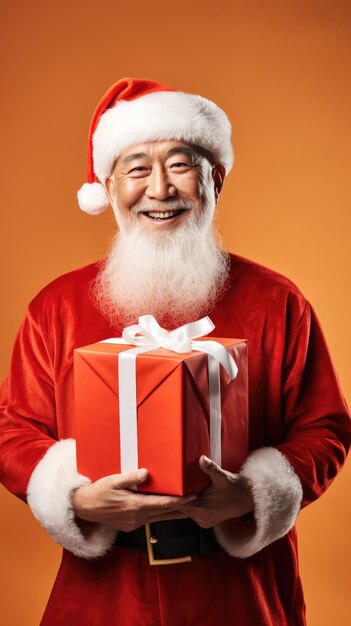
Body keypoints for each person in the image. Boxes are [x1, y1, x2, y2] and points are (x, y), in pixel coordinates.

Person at [0, 77, 350, 626]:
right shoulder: (57, 305)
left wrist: (251, 494)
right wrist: (72, 497)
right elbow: (14, 428)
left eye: (181, 164)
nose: (159, 189)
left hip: (241, 592)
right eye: (137, 168)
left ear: (215, 180)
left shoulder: (277, 300)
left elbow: (325, 428)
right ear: (110, 188)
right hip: (105, 595)